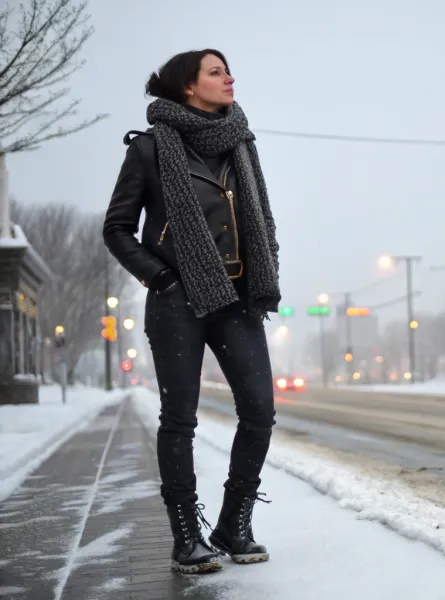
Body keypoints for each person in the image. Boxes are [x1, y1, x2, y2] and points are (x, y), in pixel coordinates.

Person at [103, 49, 280, 574]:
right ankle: (186, 537)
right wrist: (160, 277)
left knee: (259, 413)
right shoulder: (150, 149)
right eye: (215, 72)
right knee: (179, 420)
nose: (229, 78)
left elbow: (261, 220)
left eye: (227, 70)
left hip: (238, 298)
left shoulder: (241, 144)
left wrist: (267, 263)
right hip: (177, 302)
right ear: (187, 86)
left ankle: (233, 525)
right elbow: (117, 229)